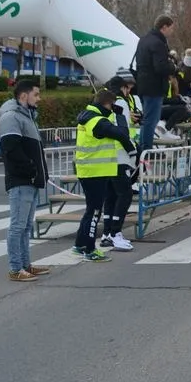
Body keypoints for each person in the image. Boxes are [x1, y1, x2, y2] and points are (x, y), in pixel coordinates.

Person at [73, 90, 138, 262]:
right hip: (94, 172)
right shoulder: (97, 121)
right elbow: (120, 133)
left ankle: (80, 244)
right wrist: (120, 116)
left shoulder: (90, 116)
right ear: (108, 104)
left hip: (91, 170)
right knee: (94, 212)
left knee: (90, 210)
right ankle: (90, 250)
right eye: (112, 106)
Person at [0, 80, 49, 282]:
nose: (39, 98)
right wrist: (31, 169)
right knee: (18, 226)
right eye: (36, 95)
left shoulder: (27, 117)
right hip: (21, 180)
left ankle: (25, 265)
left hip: (30, 180)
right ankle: (15, 268)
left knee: (26, 227)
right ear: (23, 96)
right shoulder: (11, 117)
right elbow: (11, 149)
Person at [100, 76, 138, 251]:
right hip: (120, 155)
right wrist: (132, 150)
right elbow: (122, 130)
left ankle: (107, 233)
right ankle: (116, 233)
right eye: (127, 88)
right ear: (123, 88)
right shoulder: (120, 103)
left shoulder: (102, 104)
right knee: (125, 194)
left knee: (110, 195)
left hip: (105, 156)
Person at [132, 14, 176, 152]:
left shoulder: (143, 40)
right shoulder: (158, 43)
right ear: (164, 27)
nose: (172, 31)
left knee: (147, 120)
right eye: (171, 28)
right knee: (151, 121)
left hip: (142, 85)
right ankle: (146, 151)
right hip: (154, 87)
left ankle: (142, 150)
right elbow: (160, 67)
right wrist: (173, 66)